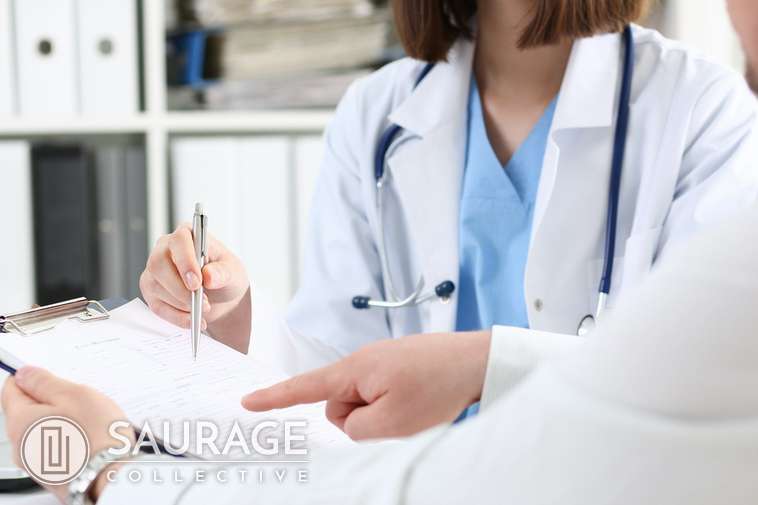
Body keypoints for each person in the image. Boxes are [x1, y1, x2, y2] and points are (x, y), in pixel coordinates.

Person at [140, 0, 758, 416]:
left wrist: (485, 367)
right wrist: (233, 313)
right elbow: (340, 366)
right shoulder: (376, 113)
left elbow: (703, 373)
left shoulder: (700, 107)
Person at [5, 210, 758, 504]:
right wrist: (491, 361)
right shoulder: (383, 106)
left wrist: (112, 470)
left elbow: (431, 493)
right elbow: (684, 382)